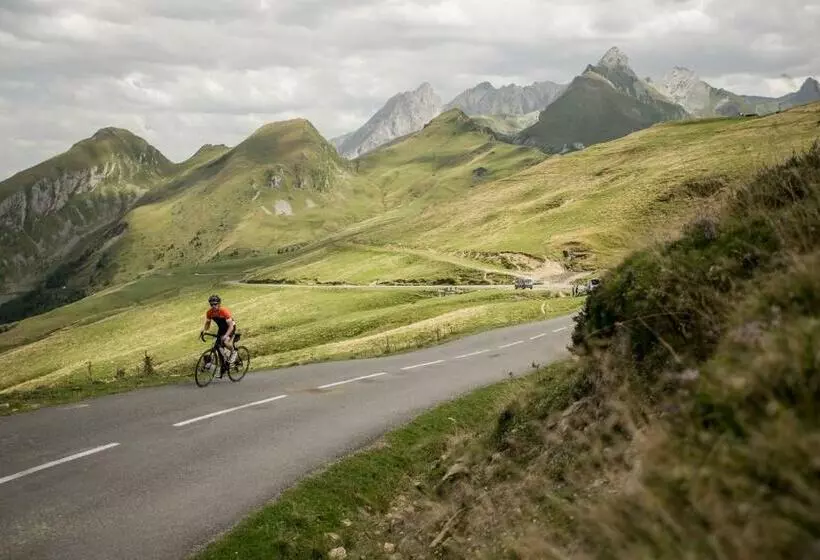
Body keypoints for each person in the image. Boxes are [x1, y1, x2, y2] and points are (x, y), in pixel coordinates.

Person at [201, 294, 237, 370]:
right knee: (218, 346)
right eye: (211, 304)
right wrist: (204, 331)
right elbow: (207, 323)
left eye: (215, 304)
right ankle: (224, 364)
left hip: (230, 327)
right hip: (221, 329)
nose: (213, 306)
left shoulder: (224, 311)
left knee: (225, 342)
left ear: (219, 304)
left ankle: (234, 351)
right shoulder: (209, 312)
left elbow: (231, 326)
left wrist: (226, 335)